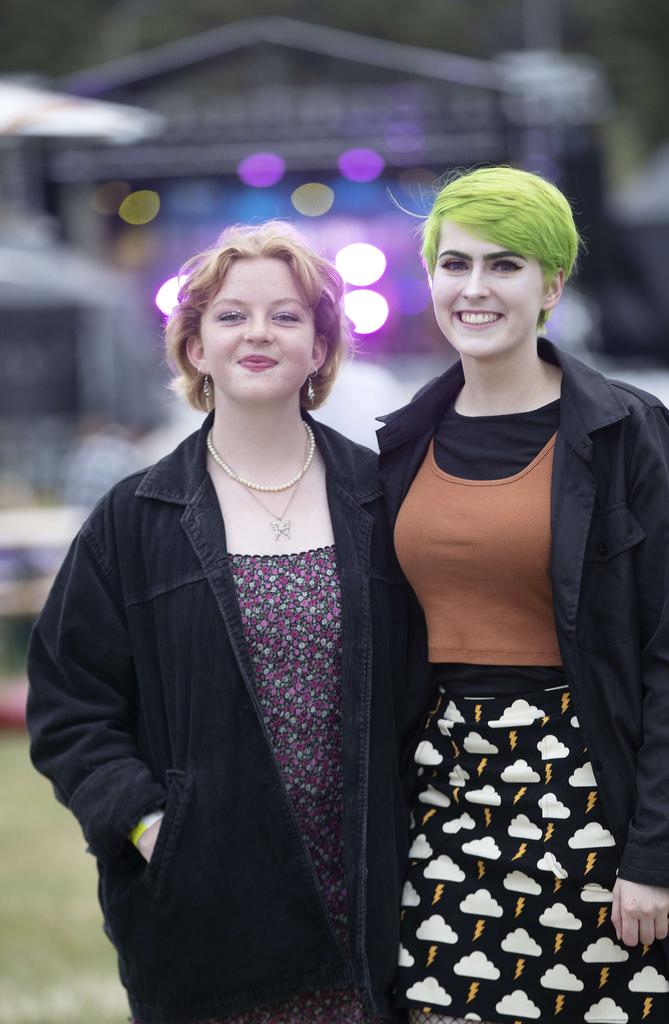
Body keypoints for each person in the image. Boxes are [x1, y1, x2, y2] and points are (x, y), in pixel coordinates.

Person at [376, 167, 669, 1024]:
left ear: (551, 283)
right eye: (455, 263)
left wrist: (659, 853)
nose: (474, 288)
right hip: (443, 805)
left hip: (590, 799)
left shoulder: (627, 430)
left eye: (505, 266)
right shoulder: (399, 444)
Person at [26, 222, 409, 1024]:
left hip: (377, 912)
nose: (259, 333)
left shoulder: (387, 501)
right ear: (195, 347)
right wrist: (152, 827)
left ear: (321, 348)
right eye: (231, 316)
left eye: (287, 315)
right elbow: (70, 708)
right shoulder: (133, 520)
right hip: (211, 922)